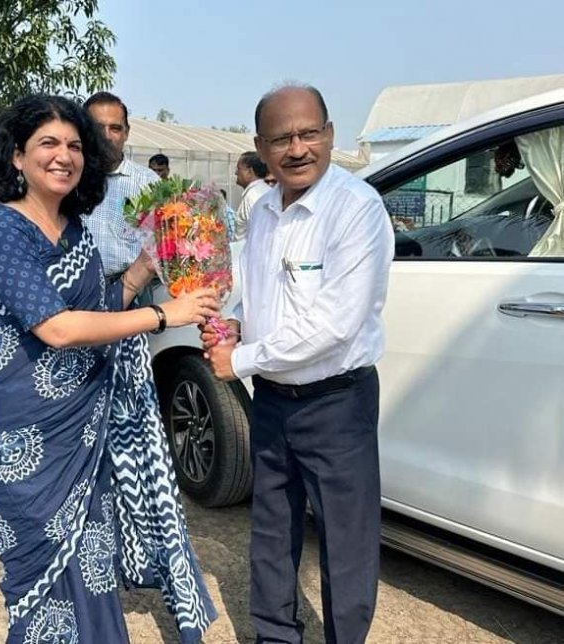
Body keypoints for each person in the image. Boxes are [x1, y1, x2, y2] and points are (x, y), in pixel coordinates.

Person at [0, 94, 218, 643]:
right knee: (39, 571)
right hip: (17, 432)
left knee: (93, 562)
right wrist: (159, 315)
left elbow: (97, 309)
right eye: (48, 144)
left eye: (75, 145)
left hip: (82, 426)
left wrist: (149, 266)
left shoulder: (76, 229)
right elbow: (56, 327)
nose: (64, 156)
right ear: (16, 156)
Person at [203, 85, 394, 644]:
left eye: (309, 133)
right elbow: (255, 292)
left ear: (330, 134)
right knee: (270, 529)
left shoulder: (355, 209)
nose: (297, 148)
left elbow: (335, 325)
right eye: (282, 137)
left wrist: (240, 357)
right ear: (261, 146)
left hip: (337, 403)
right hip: (272, 402)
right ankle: (274, 635)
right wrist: (234, 322)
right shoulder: (262, 208)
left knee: (346, 543)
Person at [83, 91, 159, 280]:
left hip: (131, 289)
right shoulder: (68, 179)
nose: (106, 136)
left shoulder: (147, 183)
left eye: (115, 128)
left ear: (126, 133)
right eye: (97, 127)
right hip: (75, 291)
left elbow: (161, 242)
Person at [234, 150, 270, 240]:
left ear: (250, 172)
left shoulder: (252, 196)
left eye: (239, 169)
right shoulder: (267, 191)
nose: (236, 173)